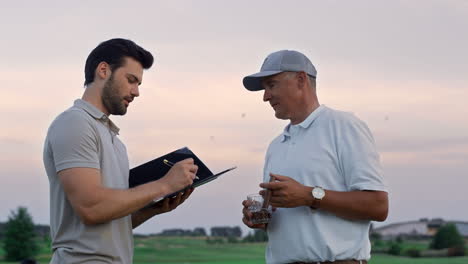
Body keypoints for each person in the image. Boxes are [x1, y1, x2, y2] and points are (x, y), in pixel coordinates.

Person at [43, 38, 198, 263]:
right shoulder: (74, 123)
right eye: (131, 80)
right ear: (104, 70)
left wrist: (151, 209)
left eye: (138, 84)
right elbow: (91, 208)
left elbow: (106, 221)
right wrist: (164, 184)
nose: (136, 92)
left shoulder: (115, 140)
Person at [241, 50, 388, 264]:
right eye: (264, 88)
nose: (265, 96)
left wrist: (310, 196)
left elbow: (378, 206)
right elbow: (286, 216)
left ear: (301, 80)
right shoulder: (276, 146)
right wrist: (260, 216)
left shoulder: (344, 126)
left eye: (271, 85)